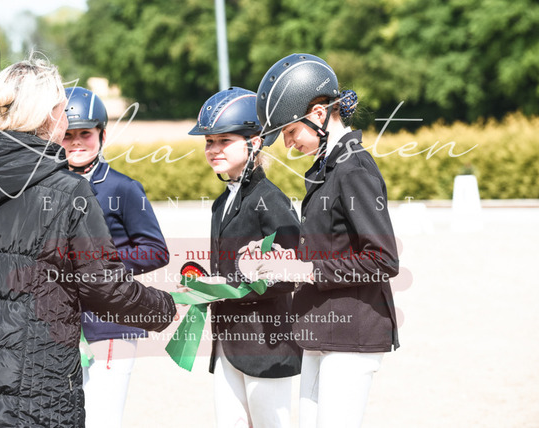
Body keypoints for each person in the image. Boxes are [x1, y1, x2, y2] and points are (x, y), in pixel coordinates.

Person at [0, 56, 176, 428]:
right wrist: (164, 308)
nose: (68, 123)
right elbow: (104, 287)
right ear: (51, 115)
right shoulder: (69, 192)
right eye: (64, 111)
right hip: (29, 389)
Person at [240, 53, 400, 428]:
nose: (288, 144)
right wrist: (279, 257)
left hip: (352, 333)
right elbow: (329, 248)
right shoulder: (328, 167)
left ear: (317, 114)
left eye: (291, 131)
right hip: (320, 329)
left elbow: (383, 259)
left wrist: (306, 270)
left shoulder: (354, 167)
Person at [188, 87, 302, 428]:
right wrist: (202, 283)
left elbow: (293, 271)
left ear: (254, 142)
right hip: (227, 343)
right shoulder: (221, 203)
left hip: (266, 343)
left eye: (224, 140)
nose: (213, 149)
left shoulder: (271, 200)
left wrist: (228, 285)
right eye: (209, 141)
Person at [61, 86, 170, 428]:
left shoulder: (124, 188)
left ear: (102, 135)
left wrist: (98, 264)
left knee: (102, 419)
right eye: (67, 135)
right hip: (63, 324)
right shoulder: (50, 188)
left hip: (111, 323)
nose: (76, 142)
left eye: (85, 134)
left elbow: (156, 250)